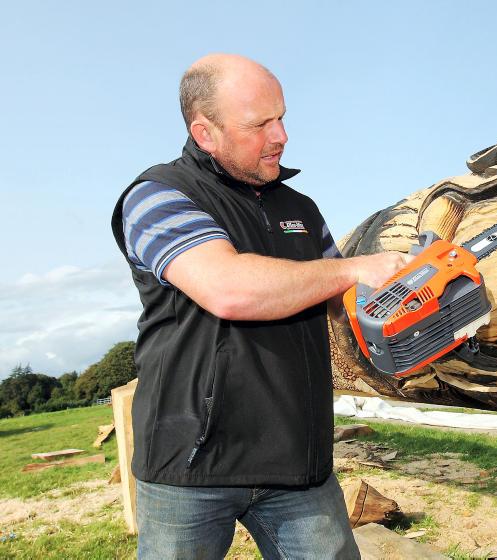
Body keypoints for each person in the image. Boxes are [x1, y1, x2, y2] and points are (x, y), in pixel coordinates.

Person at [110, 53, 410, 559]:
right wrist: (356, 268)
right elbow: (228, 288)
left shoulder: (301, 209)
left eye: (283, 117)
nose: (282, 136)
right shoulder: (158, 196)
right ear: (205, 133)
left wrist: (410, 292)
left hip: (298, 459)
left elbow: (343, 301)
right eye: (260, 124)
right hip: (192, 462)